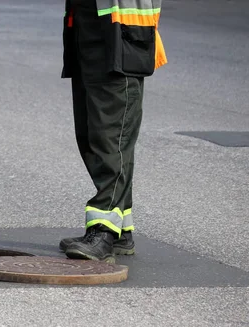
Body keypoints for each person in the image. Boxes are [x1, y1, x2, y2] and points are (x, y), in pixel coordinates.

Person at [59, 0, 167, 263]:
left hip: (121, 28)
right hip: (88, 19)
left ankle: (104, 229)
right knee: (90, 134)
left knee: (111, 137)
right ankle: (121, 232)